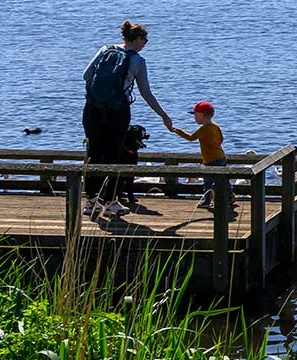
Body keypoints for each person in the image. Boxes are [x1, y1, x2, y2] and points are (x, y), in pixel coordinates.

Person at [81, 20, 174, 219]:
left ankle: (90, 201)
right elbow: (146, 93)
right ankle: (111, 202)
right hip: (118, 112)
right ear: (137, 38)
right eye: (145, 39)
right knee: (115, 155)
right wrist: (163, 115)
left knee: (93, 153)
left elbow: (86, 75)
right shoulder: (138, 61)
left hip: (92, 110)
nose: (145, 43)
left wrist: (102, 91)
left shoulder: (105, 50)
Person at [172, 100, 231, 212]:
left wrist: (178, 131)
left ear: (202, 115)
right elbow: (221, 139)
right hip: (221, 156)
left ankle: (207, 201)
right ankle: (230, 196)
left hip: (211, 159)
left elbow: (190, 138)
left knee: (208, 181)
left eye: (195, 115)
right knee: (223, 179)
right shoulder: (215, 126)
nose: (194, 118)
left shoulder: (204, 129)